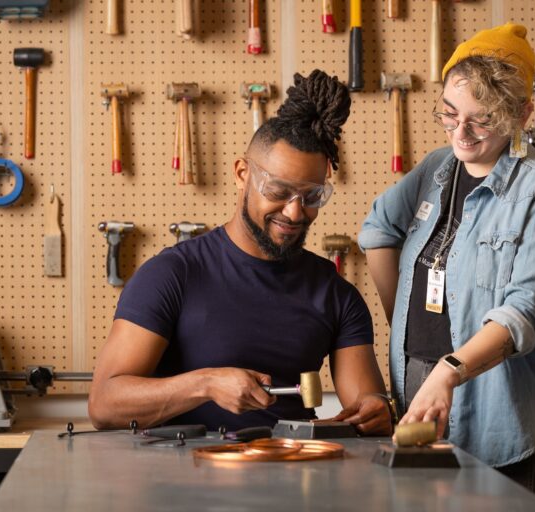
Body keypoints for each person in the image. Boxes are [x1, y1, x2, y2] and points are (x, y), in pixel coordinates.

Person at [89, 70, 393, 436]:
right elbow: (104, 405)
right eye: (279, 191)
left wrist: (376, 412)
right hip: (181, 480)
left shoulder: (335, 294)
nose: (295, 213)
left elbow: (367, 405)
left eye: (311, 197)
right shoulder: (172, 275)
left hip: (291, 475)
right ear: (241, 174)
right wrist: (205, 384)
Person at [358, 24, 535, 511]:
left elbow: (526, 312)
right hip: (419, 392)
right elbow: (377, 228)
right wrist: (402, 321)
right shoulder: (437, 168)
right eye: (450, 114)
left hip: (507, 411)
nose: (461, 133)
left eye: (482, 121)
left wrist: (449, 370)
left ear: (522, 114)